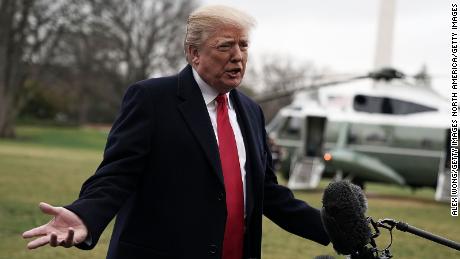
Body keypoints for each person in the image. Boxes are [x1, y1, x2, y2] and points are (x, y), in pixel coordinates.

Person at [22, 5, 330, 259]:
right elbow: (118, 174)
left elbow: (267, 193)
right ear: (194, 53)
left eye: (244, 45)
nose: (238, 56)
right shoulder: (152, 99)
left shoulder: (251, 111)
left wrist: (334, 229)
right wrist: (85, 215)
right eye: (225, 46)